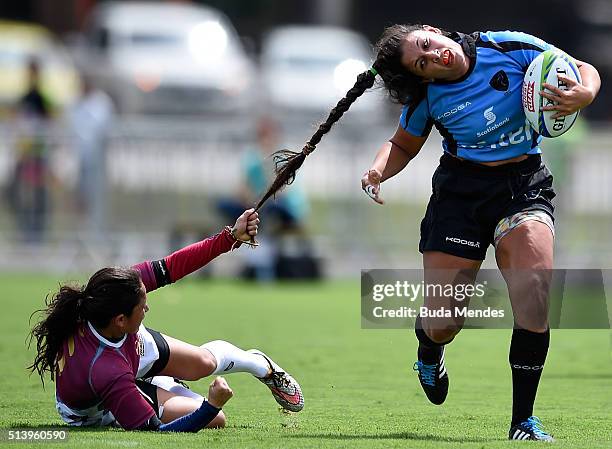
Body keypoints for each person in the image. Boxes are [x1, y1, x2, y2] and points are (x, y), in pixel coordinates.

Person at [256, 25, 599, 441]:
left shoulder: (505, 45)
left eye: (427, 45)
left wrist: (585, 93)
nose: (434, 56)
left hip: (523, 186)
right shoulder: (429, 98)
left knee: (535, 293)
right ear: (423, 78)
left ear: (432, 31)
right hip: (459, 198)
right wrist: (378, 170)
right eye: (423, 63)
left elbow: (581, 68)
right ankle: (429, 346)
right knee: (444, 323)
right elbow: (401, 144)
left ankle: (522, 422)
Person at [28, 208, 304, 432]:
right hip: (100, 408)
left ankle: (259, 364)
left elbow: (173, 266)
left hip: (123, 353)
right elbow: (155, 430)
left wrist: (231, 237)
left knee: (203, 364)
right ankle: (160, 384)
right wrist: (212, 405)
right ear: (121, 319)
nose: (147, 308)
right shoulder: (106, 370)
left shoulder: (112, 290)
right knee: (216, 420)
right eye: (142, 306)